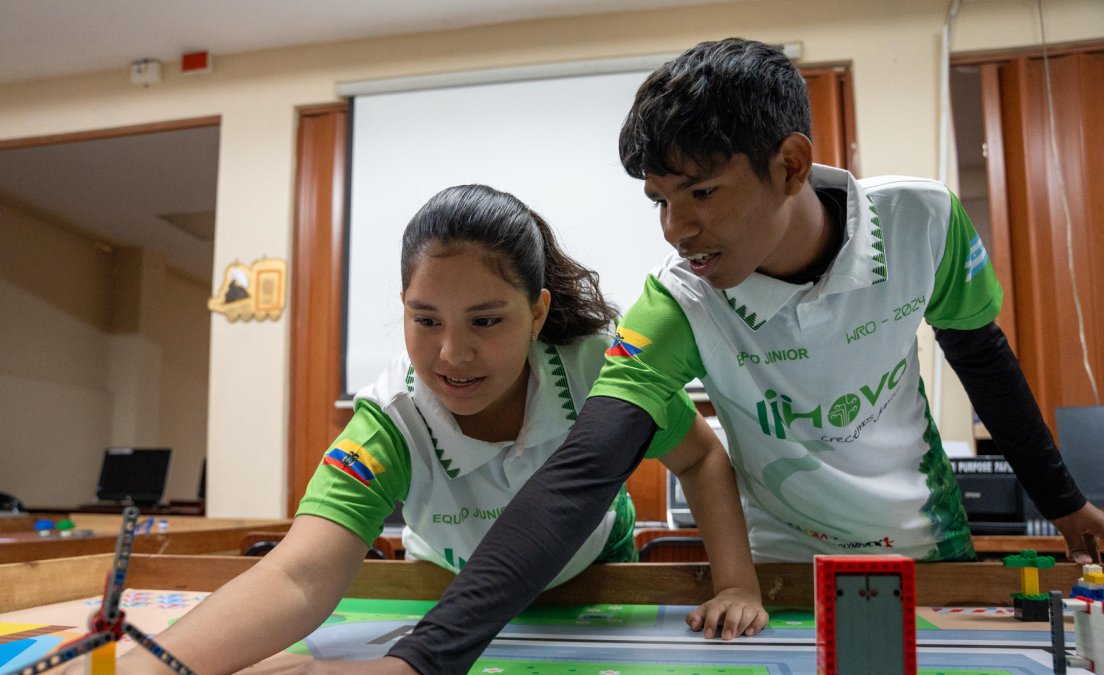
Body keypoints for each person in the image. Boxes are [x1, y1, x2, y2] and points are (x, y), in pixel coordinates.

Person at [311, 38, 1104, 675]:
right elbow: (581, 472)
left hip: (926, 547)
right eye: (659, 199)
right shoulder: (677, 300)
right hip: (781, 564)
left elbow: (983, 358)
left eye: (700, 192)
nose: (674, 228)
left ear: (790, 165)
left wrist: (1068, 507)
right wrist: (420, 659)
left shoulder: (922, 219)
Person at [118, 184, 766, 674]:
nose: (453, 354)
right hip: (447, 605)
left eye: (486, 321)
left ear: (539, 311)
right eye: (426, 320)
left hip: (596, 583)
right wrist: (148, 666)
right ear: (402, 308)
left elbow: (702, 457)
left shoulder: (601, 365)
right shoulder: (391, 418)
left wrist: (736, 582)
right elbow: (298, 575)